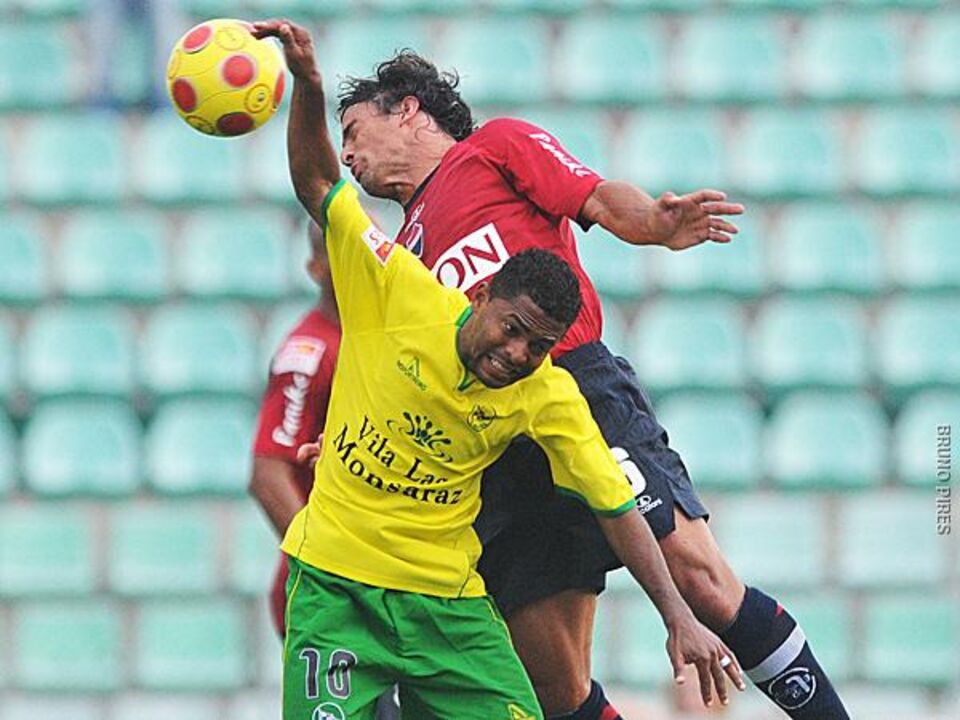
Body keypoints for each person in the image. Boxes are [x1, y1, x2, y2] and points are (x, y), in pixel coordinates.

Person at [254, 18, 850, 720]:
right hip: (492, 449)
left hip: (577, 394)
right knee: (556, 689)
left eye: (352, 130)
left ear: (406, 109)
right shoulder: (399, 259)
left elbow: (597, 198)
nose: (348, 152)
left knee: (704, 585)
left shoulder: (492, 150)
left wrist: (655, 226)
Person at [249, 220, 401, 720]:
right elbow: (268, 476)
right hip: (332, 595)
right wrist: (329, 568)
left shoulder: (384, 338)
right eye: (342, 250)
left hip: (385, 584)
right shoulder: (310, 354)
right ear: (316, 267)